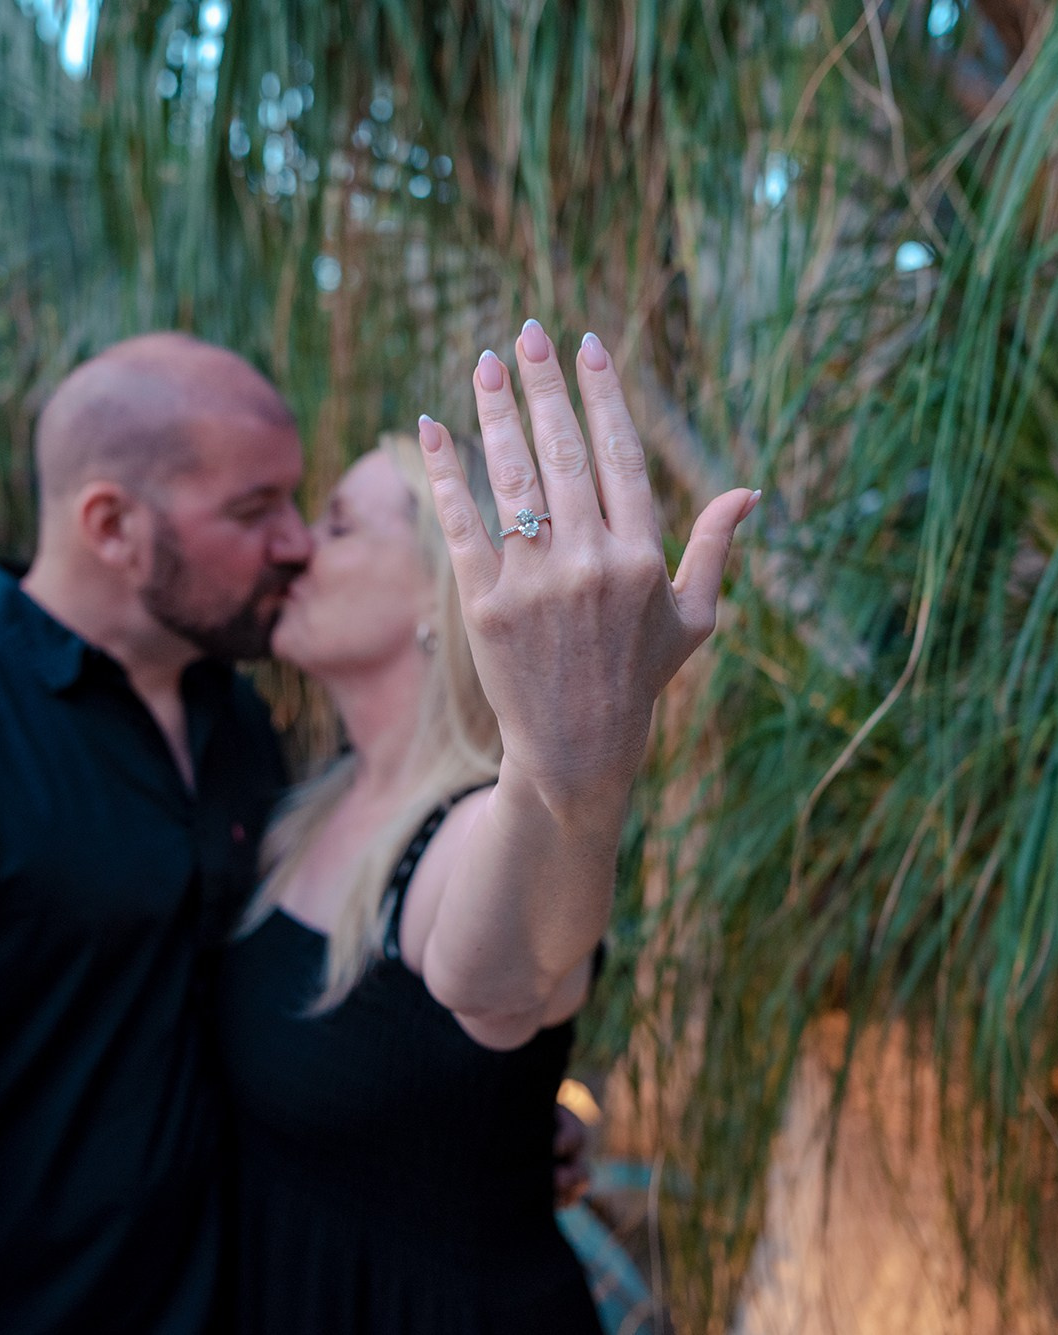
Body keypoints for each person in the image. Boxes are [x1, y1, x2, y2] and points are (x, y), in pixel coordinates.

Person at [0, 321, 752, 1334]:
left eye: (316, 511)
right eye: (259, 508)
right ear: (113, 526)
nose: (293, 542)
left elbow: (491, 977)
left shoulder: (241, 739)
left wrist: (473, 1118)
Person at [218, 325, 759, 1333]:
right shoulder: (299, 796)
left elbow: (499, 979)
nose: (294, 546)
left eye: (337, 525)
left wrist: (572, 770)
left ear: (444, 586)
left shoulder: (466, 831)